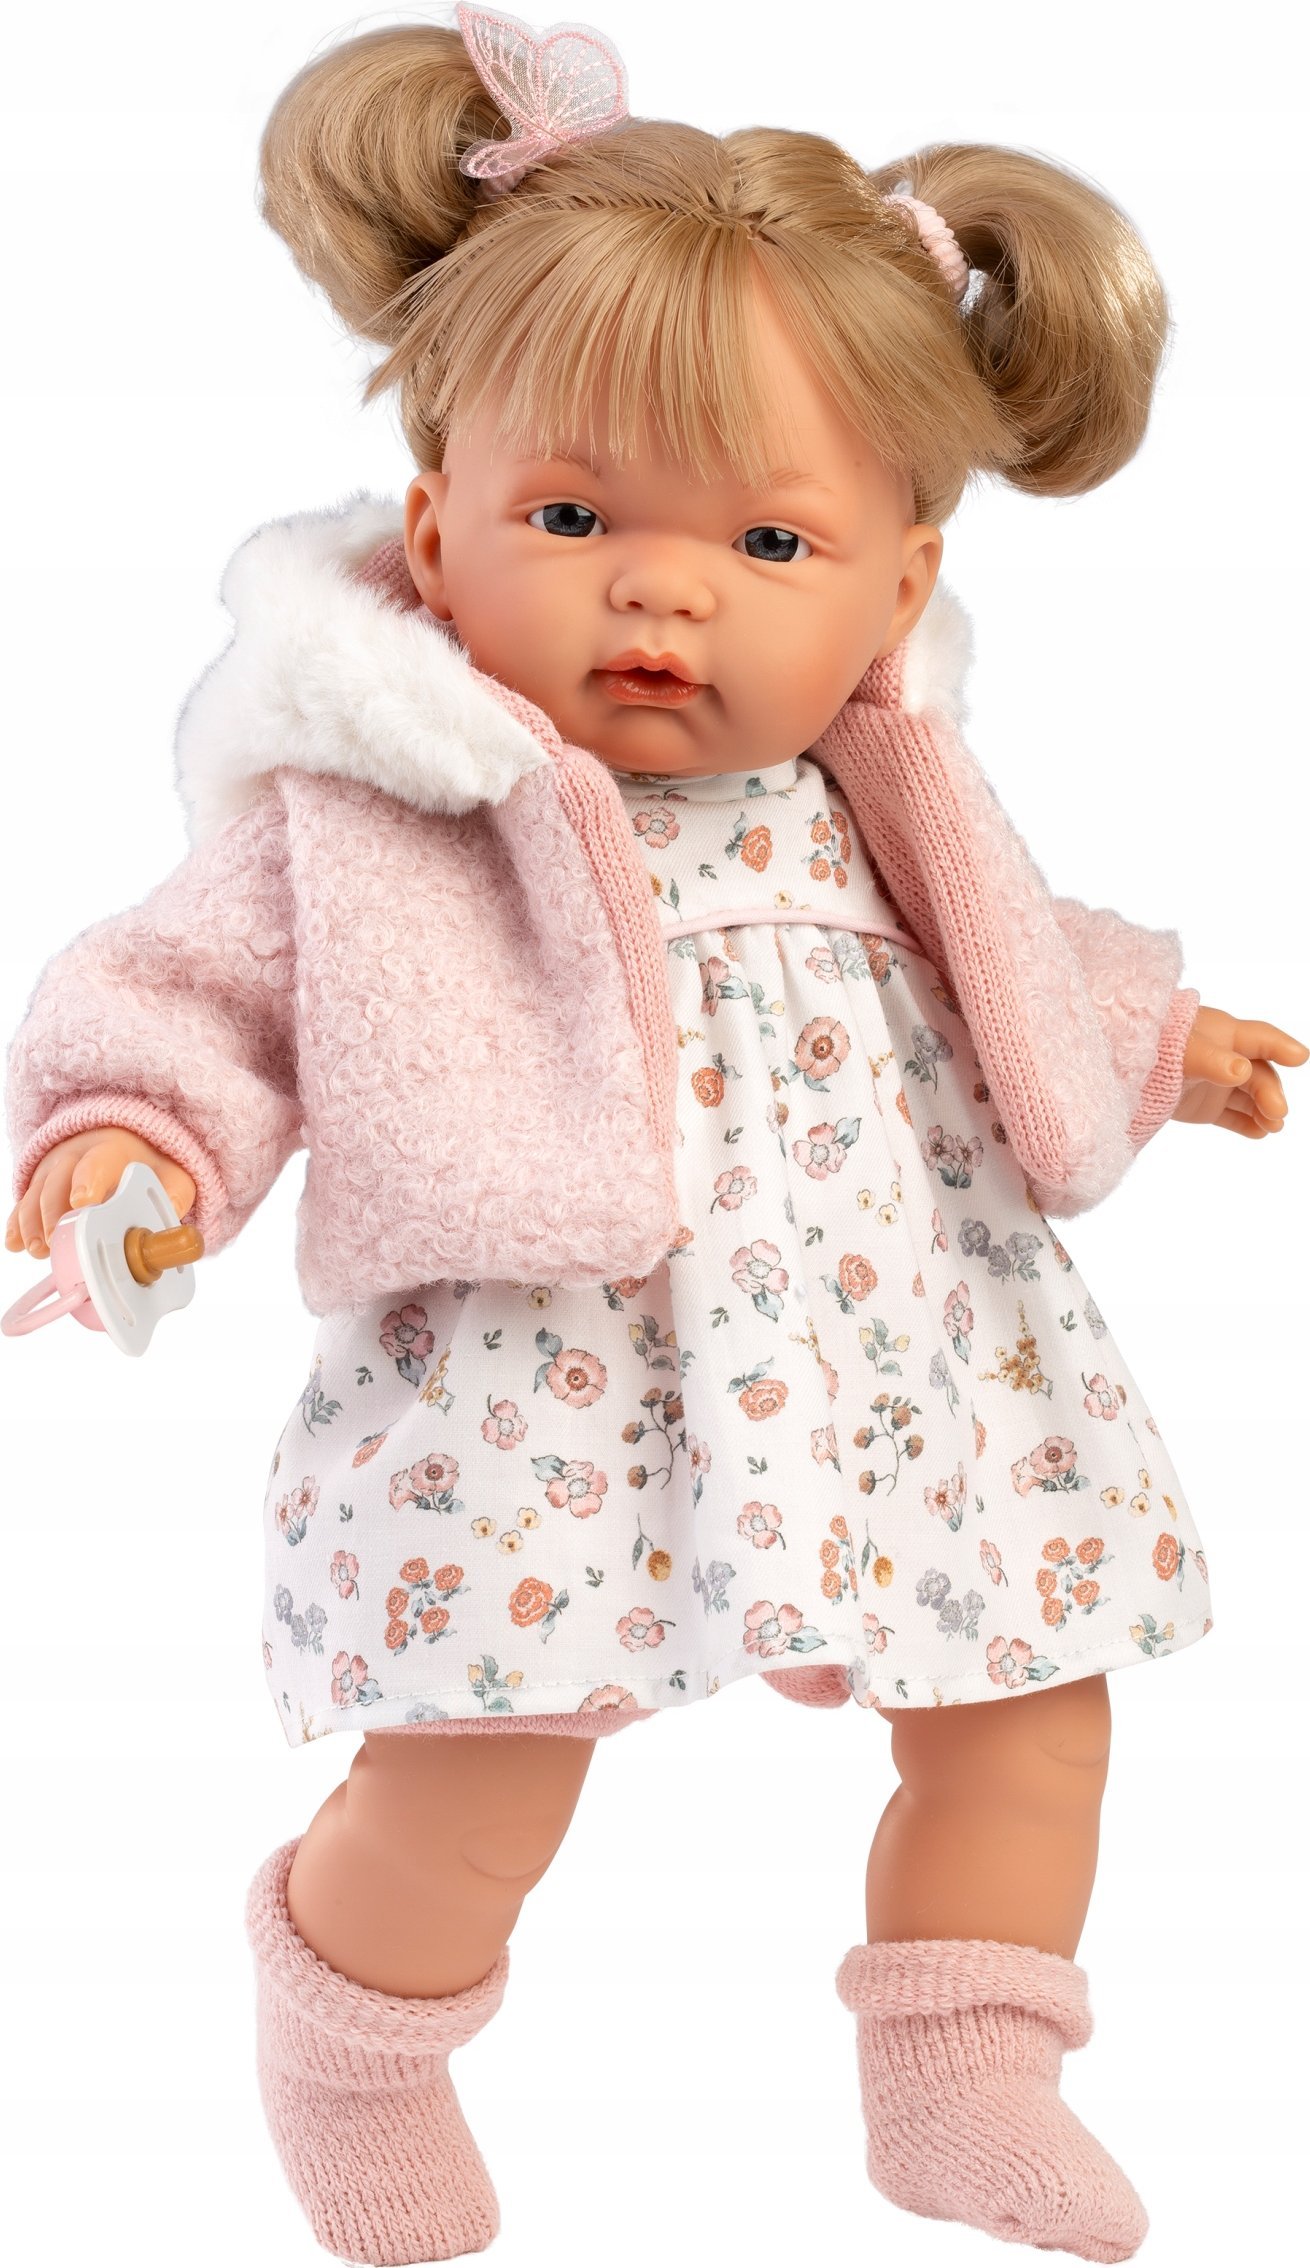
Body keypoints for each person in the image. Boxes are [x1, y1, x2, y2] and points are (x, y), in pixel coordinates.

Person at [5, 9, 1305, 2263]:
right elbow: (192, 990)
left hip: (911, 1356)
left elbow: (999, 966)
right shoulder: (382, 811)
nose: (662, 587)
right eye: (573, 515)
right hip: (540, 1380)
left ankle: (964, 2073)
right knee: (481, 1768)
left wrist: (1158, 1035)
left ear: (898, 587)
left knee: (1026, 1710)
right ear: (437, 529)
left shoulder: (884, 795)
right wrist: (133, 1142)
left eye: (769, 537)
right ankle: (352, 2042)